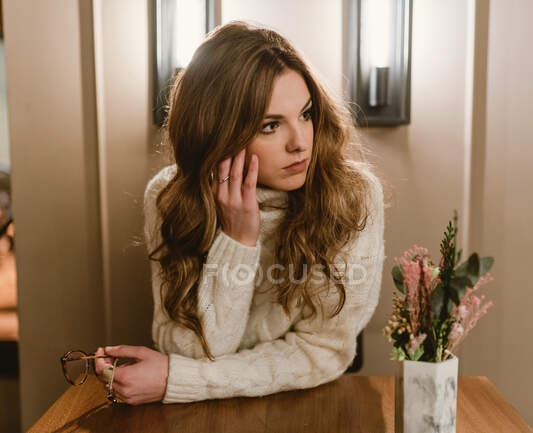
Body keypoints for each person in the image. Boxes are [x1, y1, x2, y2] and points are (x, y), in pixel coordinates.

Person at [93, 20, 386, 406]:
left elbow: (324, 352)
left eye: (306, 114)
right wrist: (237, 239)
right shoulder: (170, 197)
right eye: (270, 125)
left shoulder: (352, 198)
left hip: (308, 407)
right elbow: (194, 350)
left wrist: (178, 380)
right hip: (201, 416)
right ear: (219, 132)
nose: (300, 143)